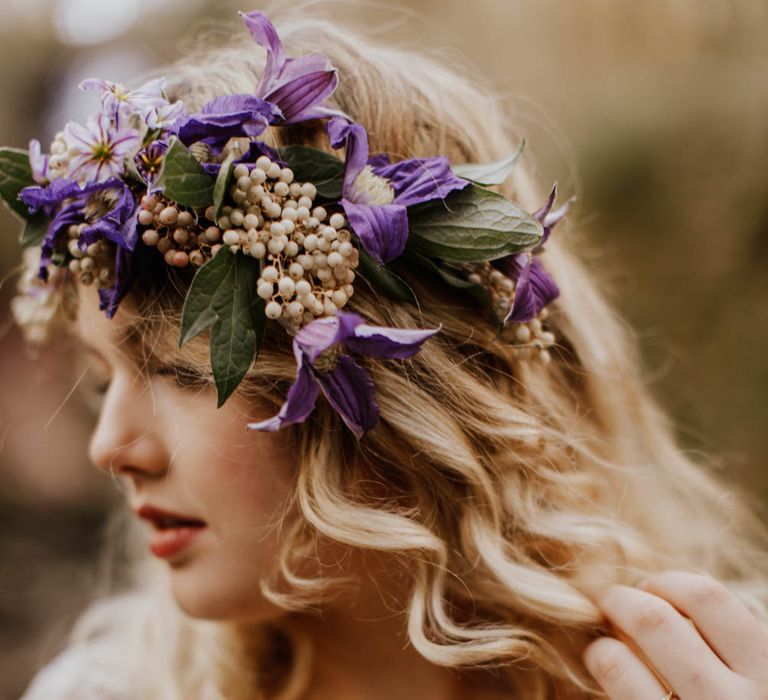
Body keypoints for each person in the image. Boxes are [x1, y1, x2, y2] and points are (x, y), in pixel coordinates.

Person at [8, 7, 768, 700]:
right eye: (104, 378)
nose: (110, 447)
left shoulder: (710, 671)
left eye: (176, 369)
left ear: (411, 384)